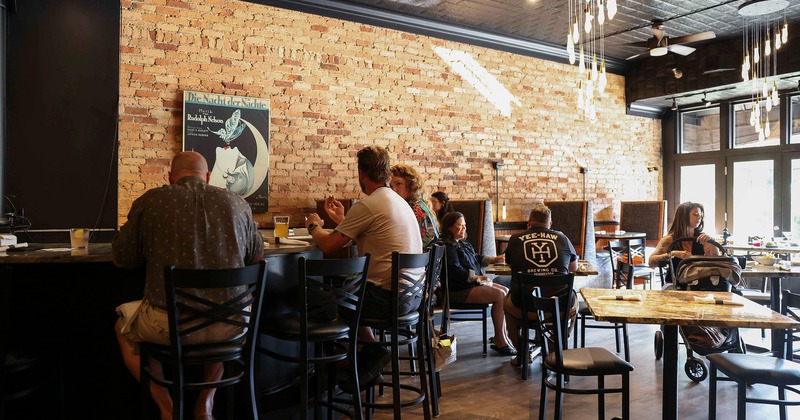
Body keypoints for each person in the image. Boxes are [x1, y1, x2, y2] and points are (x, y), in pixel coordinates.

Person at [113, 151, 264, 420]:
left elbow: (123, 257)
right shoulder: (238, 203)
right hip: (231, 325)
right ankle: (205, 405)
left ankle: (168, 409)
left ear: (171, 177)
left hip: (170, 328)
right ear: (207, 177)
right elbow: (256, 256)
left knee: (124, 327)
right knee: (222, 309)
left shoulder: (151, 201)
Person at [304, 146, 423, 390]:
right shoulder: (399, 203)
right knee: (349, 293)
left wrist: (313, 225)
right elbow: (374, 236)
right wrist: (343, 221)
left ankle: (344, 368)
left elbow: (327, 246)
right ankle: (367, 357)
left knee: (324, 302)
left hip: (387, 299)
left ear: (361, 173)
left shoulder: (369, 204)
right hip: (412, 297)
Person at [503, 203, 578, 366]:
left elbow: (511, 265)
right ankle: (555, 346)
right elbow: (573, 268)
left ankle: (521, 352)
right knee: (575, 301)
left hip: (525, 307)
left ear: (529, 222)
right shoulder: (563, 238)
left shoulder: (515, 239)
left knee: (506, 303)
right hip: (557, 307)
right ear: (550, 223)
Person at [440, 211, 515, 355]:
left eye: (465, 225)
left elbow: (475, 257)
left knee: (505, 291)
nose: (464, 228)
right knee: (500, 295)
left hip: (467, 286)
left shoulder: (461, 243)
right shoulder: (447, 247)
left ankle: (502, 335)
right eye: (460, 225)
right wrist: (477, 278)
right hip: (455, 291)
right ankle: (500, 339)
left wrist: (494, 259)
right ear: (449, 227)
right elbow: (455, 271)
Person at [648, 201, 720, 283]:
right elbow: (651, 262)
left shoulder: (702, 238)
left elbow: (717, 262)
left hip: (699, 285)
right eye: (695, 214)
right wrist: (674, 253)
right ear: (684, 216)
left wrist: (712, 242)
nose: (699, 217)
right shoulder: (670, 239)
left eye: (701, 215)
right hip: (675, 284)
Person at [390, 164, 439, 248]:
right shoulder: (420, 205)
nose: (394, 189)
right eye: (390, 186)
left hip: (417, 259)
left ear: (411, 185)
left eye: (398, 183)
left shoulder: (415, 209)